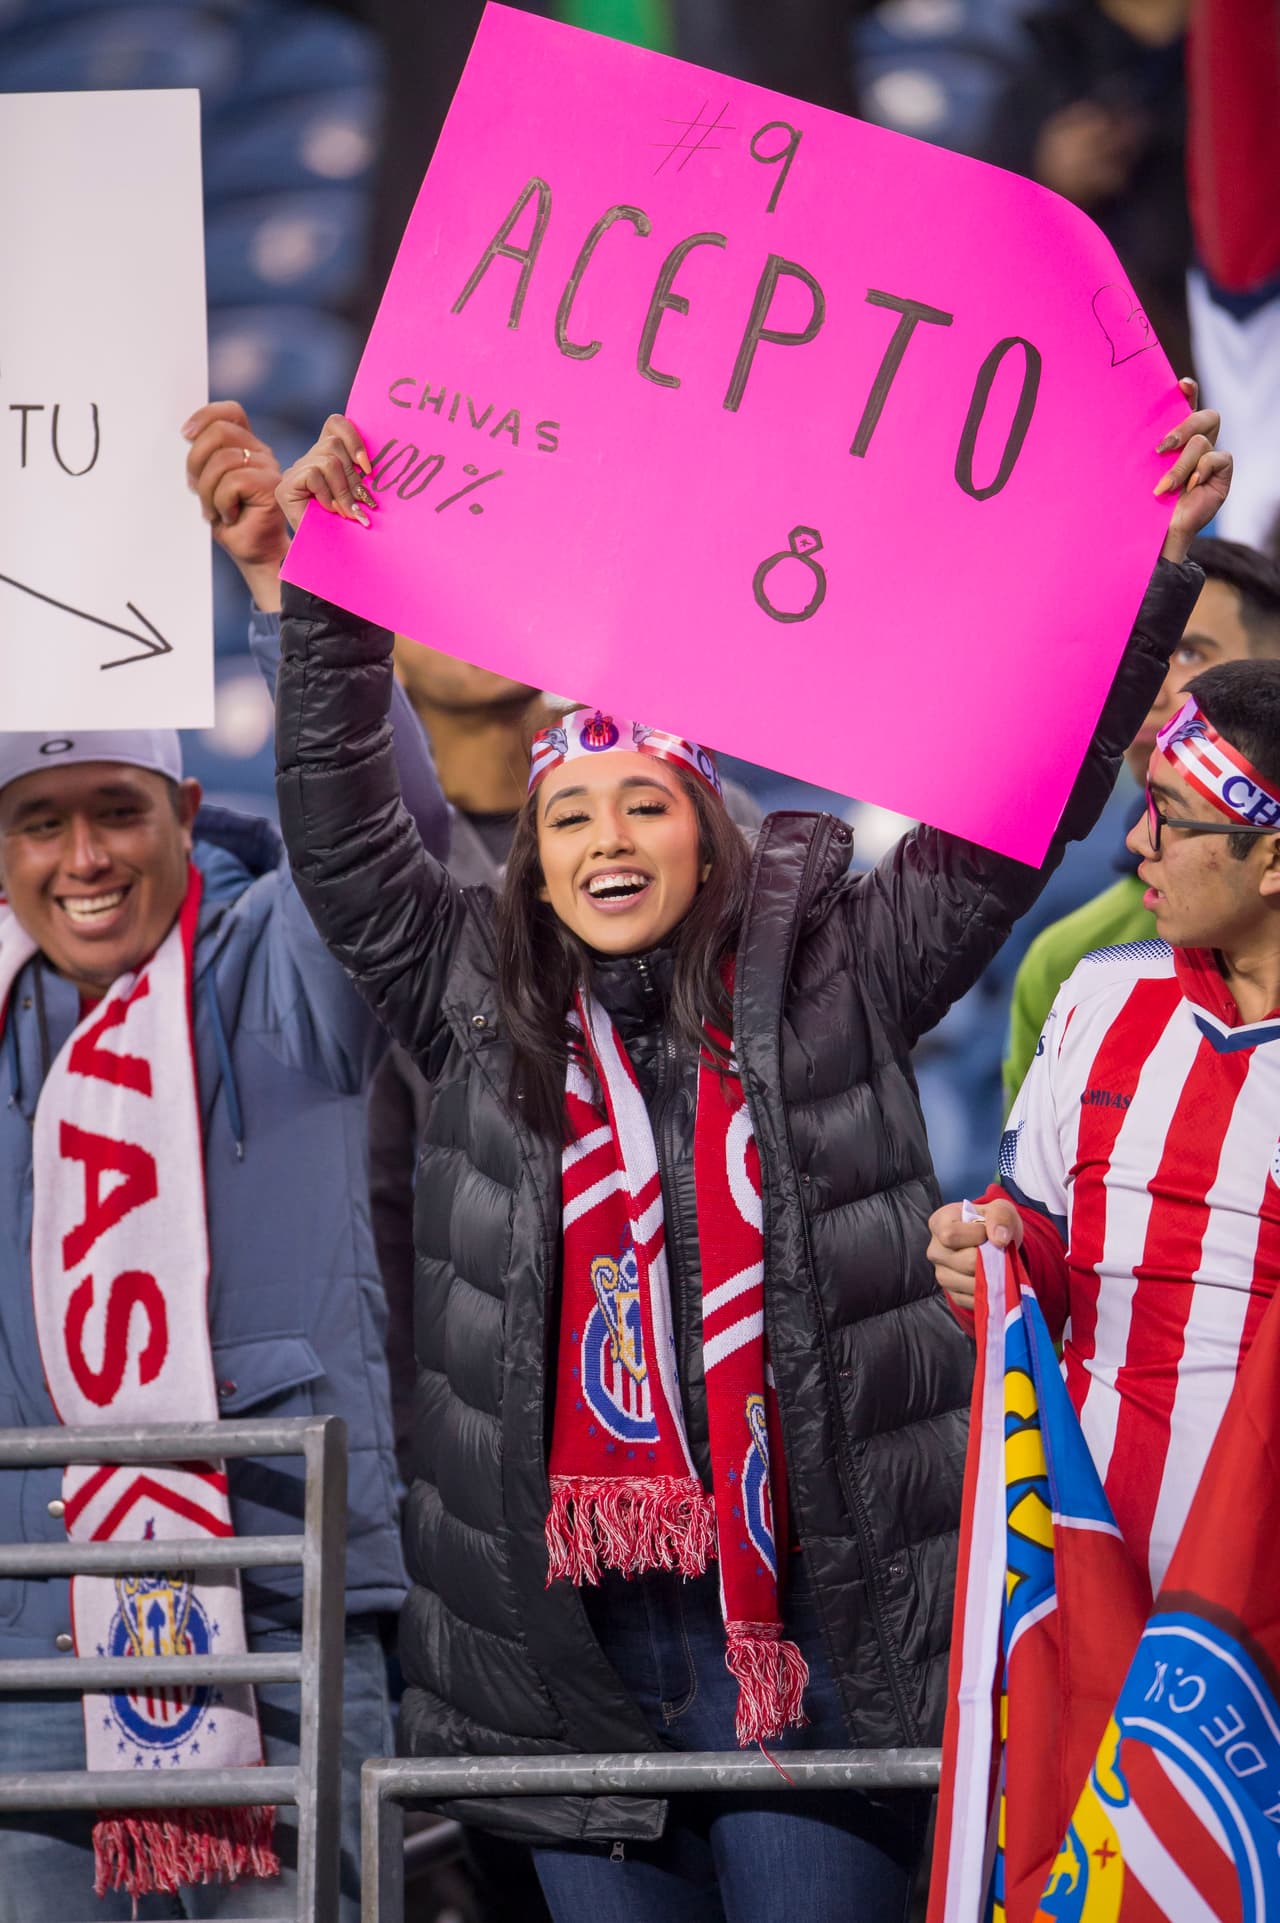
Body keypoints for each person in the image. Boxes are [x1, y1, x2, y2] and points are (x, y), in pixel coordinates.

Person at [270, 400, 1223, 1922]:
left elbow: (1019, 809)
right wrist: (327, 597)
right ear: (534, 853)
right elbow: (338, 833)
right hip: (564, 1661)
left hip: (814, 1645)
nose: (606, 840)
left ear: (706, 831)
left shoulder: (846, 963)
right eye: (568, 815)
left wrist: (1144, 580)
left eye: (643, 802)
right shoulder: (466, 991)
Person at [0, 402, 448, 1922]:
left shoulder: (273, 965)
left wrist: (292, 605)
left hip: (285, 1626)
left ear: (187, 812)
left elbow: (380, 843)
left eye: (118, 812)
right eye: (39, 824)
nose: (86, 858)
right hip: (33, 1651)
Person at [928, 655, 1280, 1593]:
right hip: (1082, 1561)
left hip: (1253, 1591)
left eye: (1172, 815)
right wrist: (992, 1247)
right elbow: (1035, 1218)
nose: (1135, 838)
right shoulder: (1100, 987)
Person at [1003, 534, 1280, 1110]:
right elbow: (1030, 1195)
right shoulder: (1066, 963)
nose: (1149, 692)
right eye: (1133, 659)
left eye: (1190, 655)